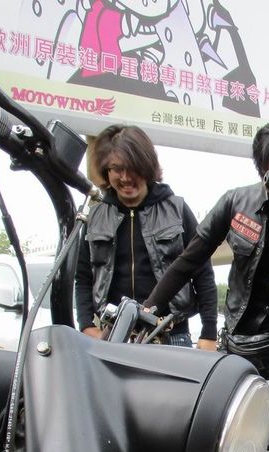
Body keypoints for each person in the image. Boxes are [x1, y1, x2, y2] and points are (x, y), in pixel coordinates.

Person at [143, 120, 269, 399]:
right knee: (225, 419)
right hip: (239, 346)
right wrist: (148, 308)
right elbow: (189, 260)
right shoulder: (235, 202)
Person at [75, 124, 216, 348]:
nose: (125, 177)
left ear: (147, 167)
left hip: (171, 336)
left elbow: (203, 271)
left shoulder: (177, 209)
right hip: (112, 337)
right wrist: (85, 324)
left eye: (133, 168)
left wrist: (209, 333)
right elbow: (83, 276)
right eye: (116, 169)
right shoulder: (95, 215)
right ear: (106, 171)